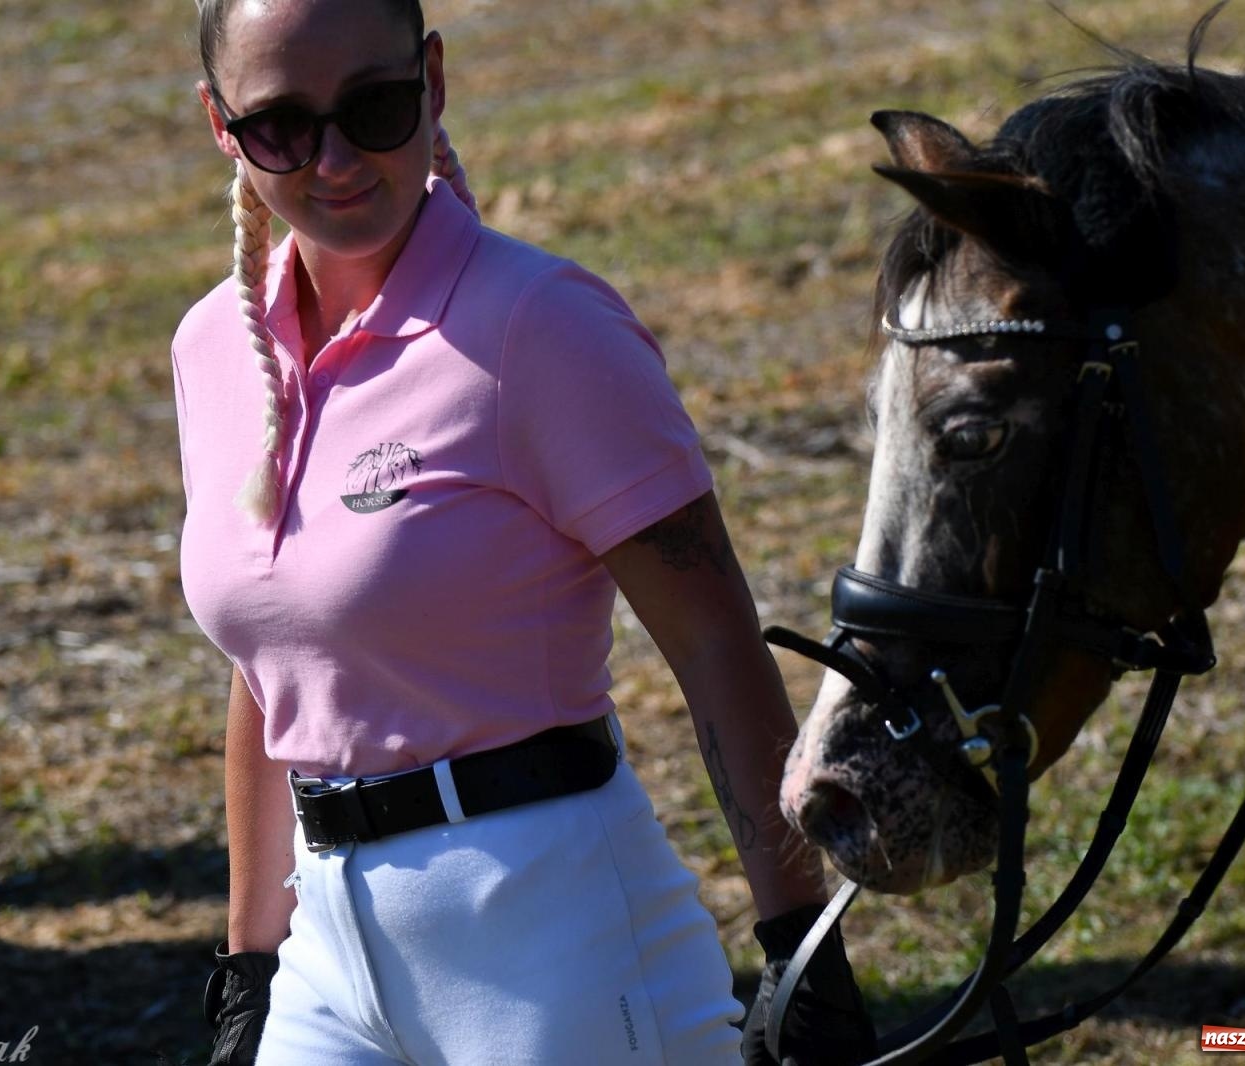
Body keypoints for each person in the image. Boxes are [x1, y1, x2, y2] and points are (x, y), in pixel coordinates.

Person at [175, 1, 875, 1063]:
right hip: (327, 946)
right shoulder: (214, 351)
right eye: (281, 125)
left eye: (375, 106)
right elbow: (277, 663)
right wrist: (248, 964)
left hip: (553, 933)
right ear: (221, 125)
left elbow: (712, 640)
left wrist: (798, 939)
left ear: (434, 81)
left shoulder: (540, 325)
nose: (333, 157)